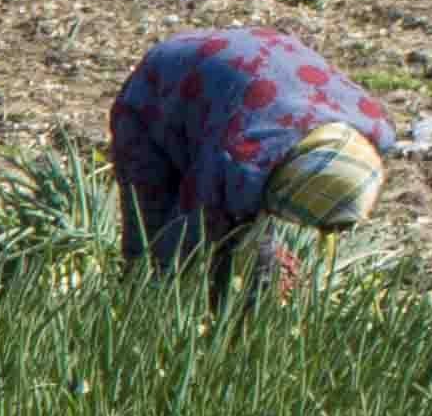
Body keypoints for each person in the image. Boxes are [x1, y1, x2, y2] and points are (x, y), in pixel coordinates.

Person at [108, 25, 391, 298]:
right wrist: (154, 289)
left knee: (242, 236)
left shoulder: (375, 131)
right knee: (150, 245)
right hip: (159, 90)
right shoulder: (239, 161)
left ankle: (246, 306)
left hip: (256, 63)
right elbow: (181, 237)